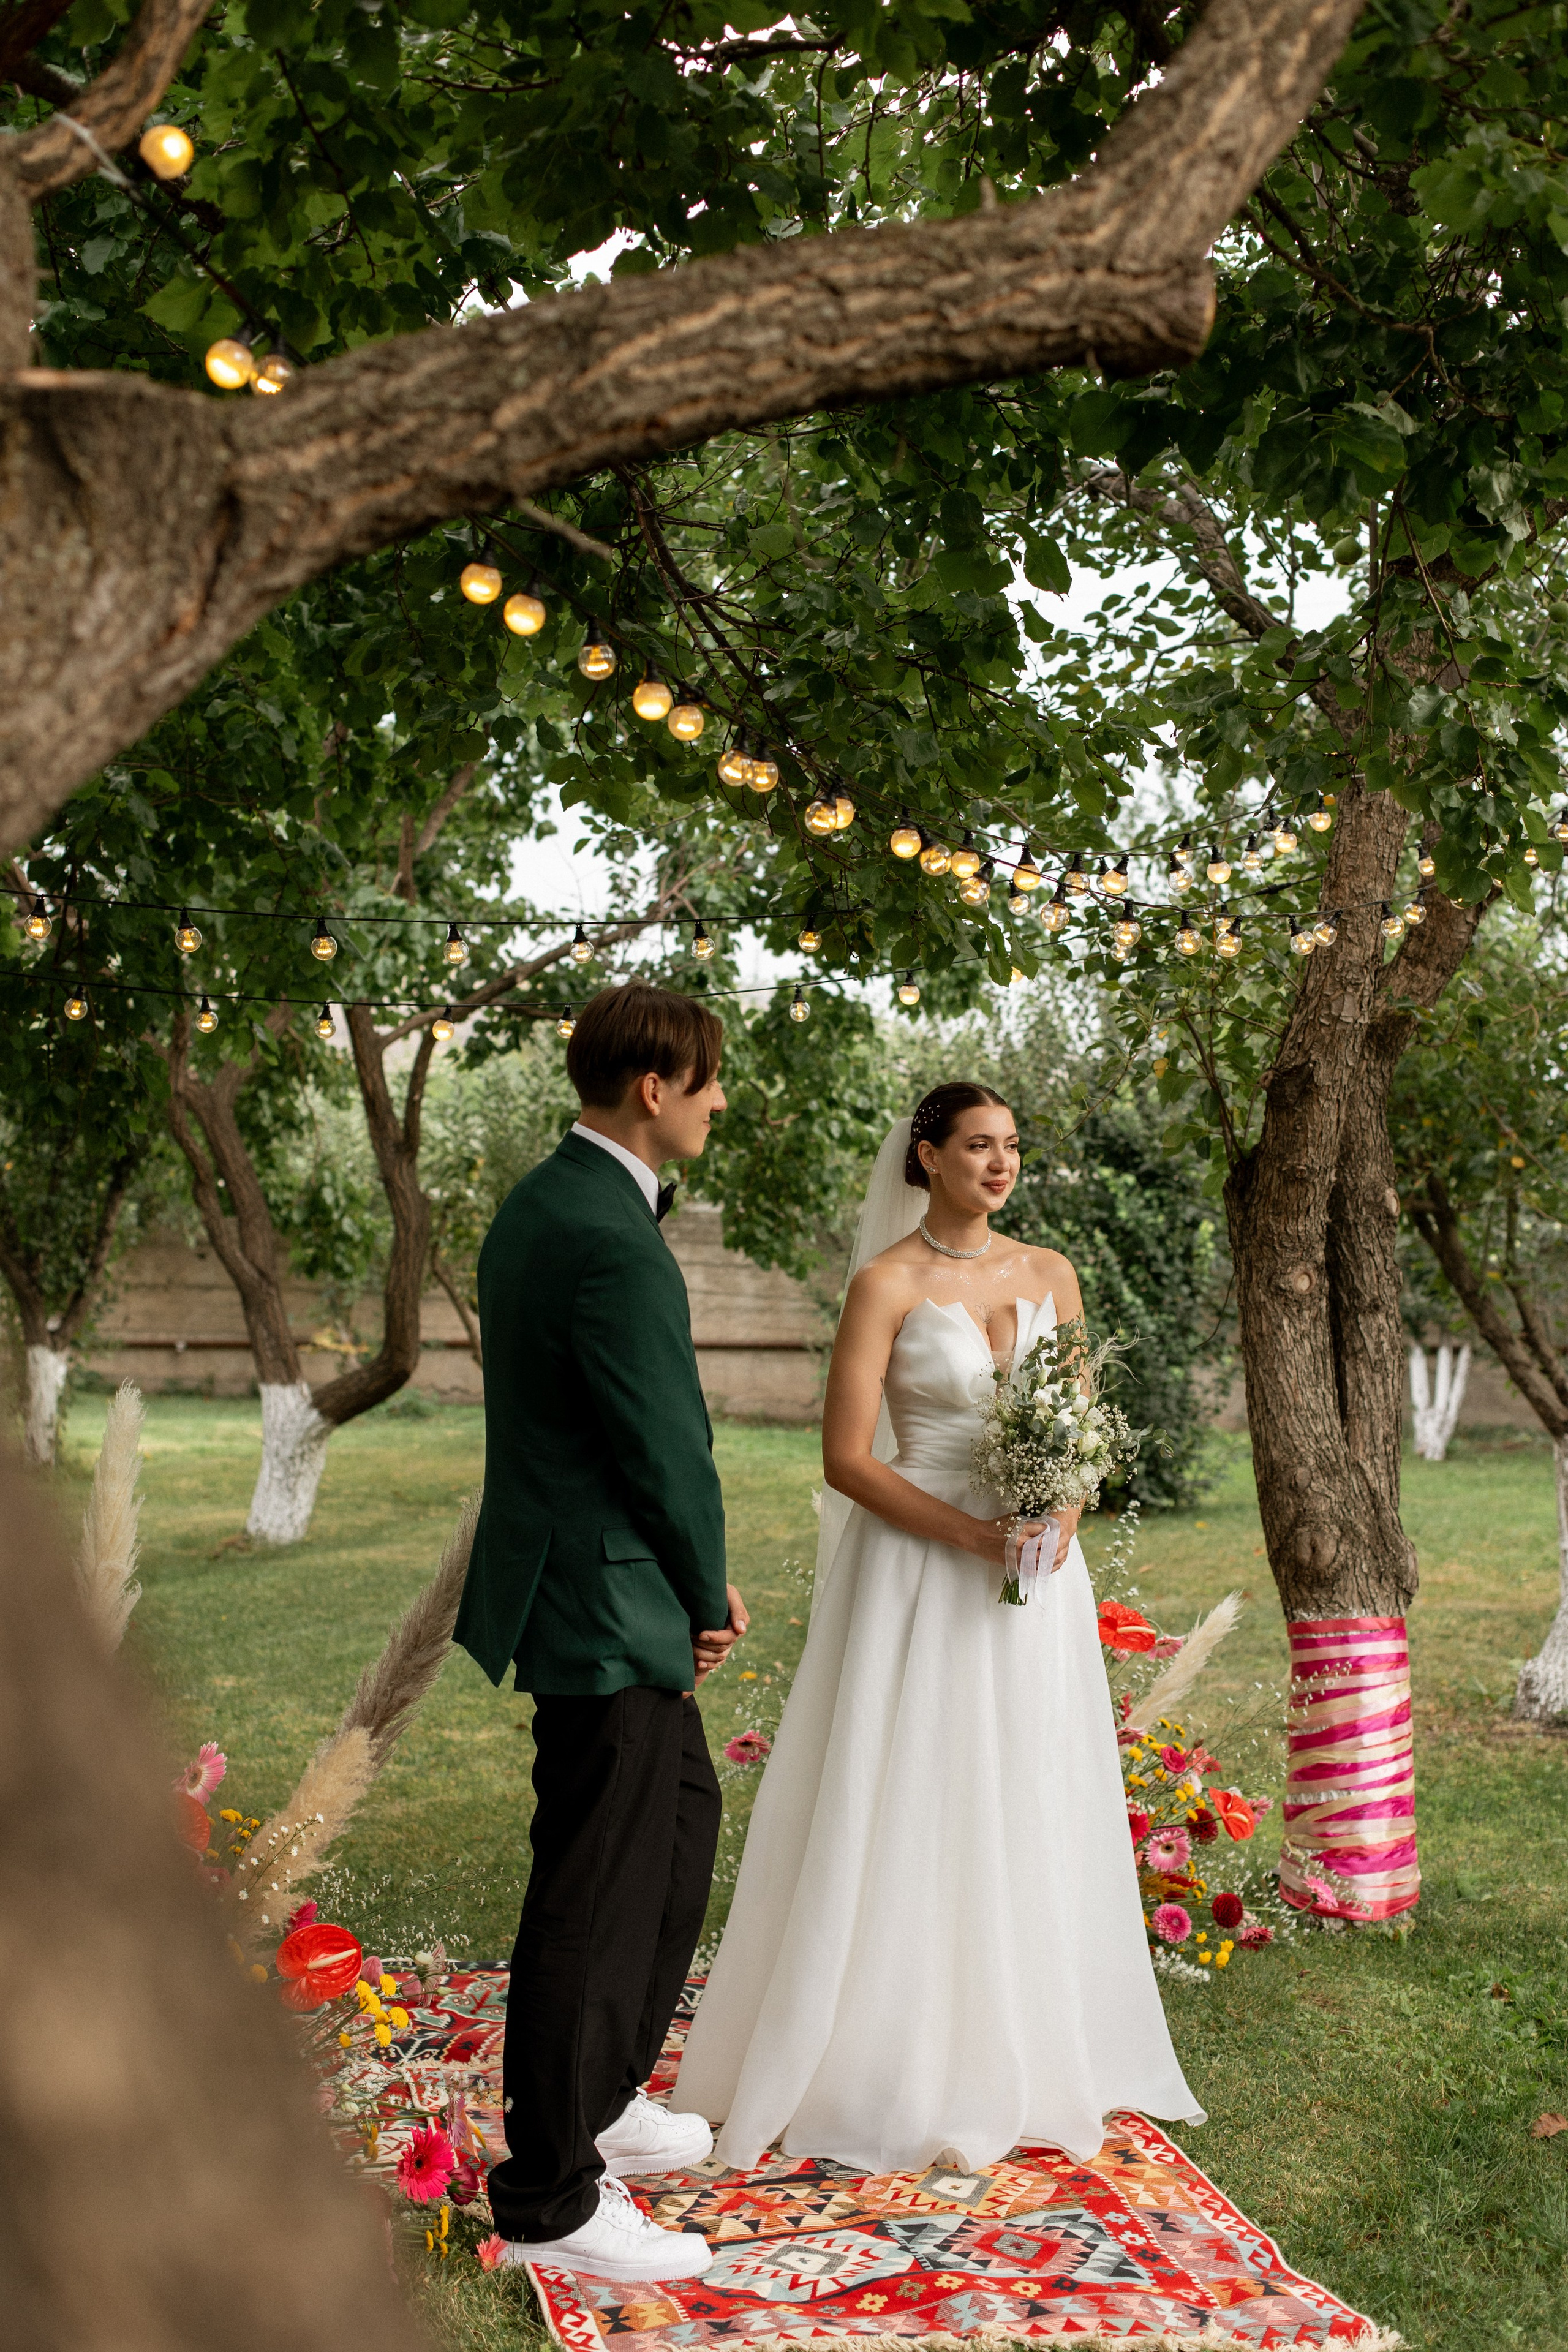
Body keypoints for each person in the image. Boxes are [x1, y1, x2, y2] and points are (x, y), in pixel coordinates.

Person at [676, 1081, 1204, 2173]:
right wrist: (974, 1539)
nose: (999, 1164)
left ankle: (1035, 2038)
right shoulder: (887, 1285)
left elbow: (1082, 1427)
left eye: (1010, 1146)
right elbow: (847, 1460)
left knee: (1027, 1780)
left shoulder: (1052, 1275)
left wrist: (1054, 1520)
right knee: (915, 1781)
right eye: (976, 1145)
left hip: (1038, 1580)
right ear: (926, 1157)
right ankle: (888, 2052)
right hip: (917, 1569)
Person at [454, 981, 749, 2280]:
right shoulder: (606, 1236)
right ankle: (551, 2203)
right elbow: (660, 1445)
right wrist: (705, 1589)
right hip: (608, 1594)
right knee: (590, 1887)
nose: (719, 1101)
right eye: (709, 1080)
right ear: (655, 1087)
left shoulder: (543, 1205)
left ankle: (604, 2101)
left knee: (678, 1827)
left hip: (587, 1582)